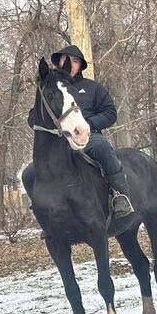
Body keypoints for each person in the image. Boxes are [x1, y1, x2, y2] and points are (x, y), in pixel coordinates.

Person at [22, 45, 134, 220]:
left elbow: (110, 113)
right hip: (59, 141)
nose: (70, 64)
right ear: (59, 62)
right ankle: (44, 213)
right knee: (28, 173)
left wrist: (89, 123)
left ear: (81, 65)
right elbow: (35, 116)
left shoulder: (93, 88)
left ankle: (120, 195)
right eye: (65, 59)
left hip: (88, 136)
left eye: (75, 61)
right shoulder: (50, 88)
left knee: (102, 147)